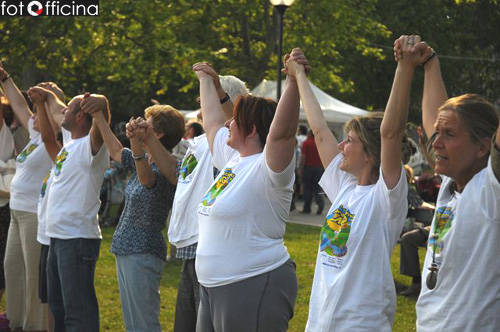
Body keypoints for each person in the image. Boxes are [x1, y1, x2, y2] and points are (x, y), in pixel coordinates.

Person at [292, 38, 413, 331]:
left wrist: (405, 66)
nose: (342, 146)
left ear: (371, 154)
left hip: (360, 324)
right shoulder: (345, 187)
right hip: (321, 321)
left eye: (350, 141)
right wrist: (298, 76)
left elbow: (391, 132)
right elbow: (320, 131)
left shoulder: (386, 199)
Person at [192, 52, 303, 332]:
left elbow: (283, 133)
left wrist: (293, 80)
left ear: (252, 130)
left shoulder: (269, 169)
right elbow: (213, 122)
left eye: (236, 120)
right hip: (213, 287)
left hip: (253, 282)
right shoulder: (233, 159)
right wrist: (207, 80)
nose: (228, 123)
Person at [395, 38, 500, 331]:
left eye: (449, 135)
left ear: (483, 148)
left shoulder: (490, 190)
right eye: (437, 133)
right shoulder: (452, 187)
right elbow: (434, 121)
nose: (436, 142)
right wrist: (429, 64)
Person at [143, 66, 248, 332]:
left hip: (210, 247)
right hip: (191, 247)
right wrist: (147, 141)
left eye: (205, 98)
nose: (199, 104)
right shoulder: (201, 141)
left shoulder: (230, 144)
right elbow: (176, 175)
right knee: (186, 324)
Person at [88, 103, 184, 332]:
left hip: (143, 249)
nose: (138, 123)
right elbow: (115, 150)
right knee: (132, 321)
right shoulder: (146, 158)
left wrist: (136, 143)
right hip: (127, 248)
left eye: (145, 122)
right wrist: (98, 116)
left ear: (158, 134)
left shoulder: (167, 166)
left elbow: (146, 180)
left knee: (144, 322)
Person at [0, 63, 62, 332]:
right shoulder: (37, 134)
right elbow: (17, 103)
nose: (32, 108)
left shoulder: (57, 140)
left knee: (32, 276)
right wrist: (4, 77)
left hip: (35, 216)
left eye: (41, 102)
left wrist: (49, 98)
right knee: (12, 269)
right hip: (17, 213)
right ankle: (15, 323)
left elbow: (48, 114)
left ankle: (34, 326)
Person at [44, 93, 110, 332]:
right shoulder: (70, 142)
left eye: (69, 109)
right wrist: (48, 94)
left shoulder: (91, 147)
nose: (63, 112)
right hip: (59, 237)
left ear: (81, 115)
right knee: (59, 308)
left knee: (78, 312)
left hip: (77, 239)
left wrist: (102, 105)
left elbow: (101, 131)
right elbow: (55, 109)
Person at [300, 129, 324, 214]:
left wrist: (301, 168)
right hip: (319, 168)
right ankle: (321, 204)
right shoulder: (320, 143)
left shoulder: (306, 143)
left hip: (308, 168)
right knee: (318, 188)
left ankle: (307, 208)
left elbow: (303, 157)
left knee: (307, 188)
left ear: (309, 134)